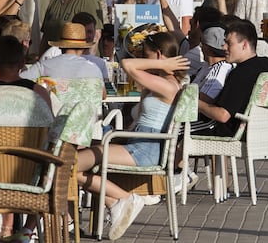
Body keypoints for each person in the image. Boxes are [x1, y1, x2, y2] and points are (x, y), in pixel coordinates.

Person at [77, 31, 189, 240]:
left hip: (145, 150)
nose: (144, 60)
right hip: (139, 144)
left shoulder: (167, 85)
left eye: (146, 55)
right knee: (69, 166)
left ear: (158, 54)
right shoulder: (161, 82)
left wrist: (163, 66)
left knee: (69, 163)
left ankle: (125, 199)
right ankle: (116, 204)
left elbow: (127, 64)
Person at [0, 36, 51, 242]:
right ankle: (27, 230)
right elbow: (50, 135)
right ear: (22, 64)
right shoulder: (38, 93)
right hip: (30, 176)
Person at [197, 19, 268, 137]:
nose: (224, 47)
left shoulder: (240, 73)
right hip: (262, 131)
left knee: (178, 132)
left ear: (244, 45)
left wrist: (193, 102)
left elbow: (223, 115)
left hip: (234, 133)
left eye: (229, 43)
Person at [20, 23, 104, 91]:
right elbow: (102, 95)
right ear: (83, 47)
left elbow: (18, 83)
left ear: (60, 46)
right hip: (86, 112)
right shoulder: (94, 69)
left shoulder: (43, 67)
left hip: (53, 111)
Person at [39, 12, 109, 81]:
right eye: (82, 32)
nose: (86, 35)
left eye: (89, 32)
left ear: (95, 32)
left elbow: (105, 88)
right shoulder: (53, 53)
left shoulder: (99, 63)